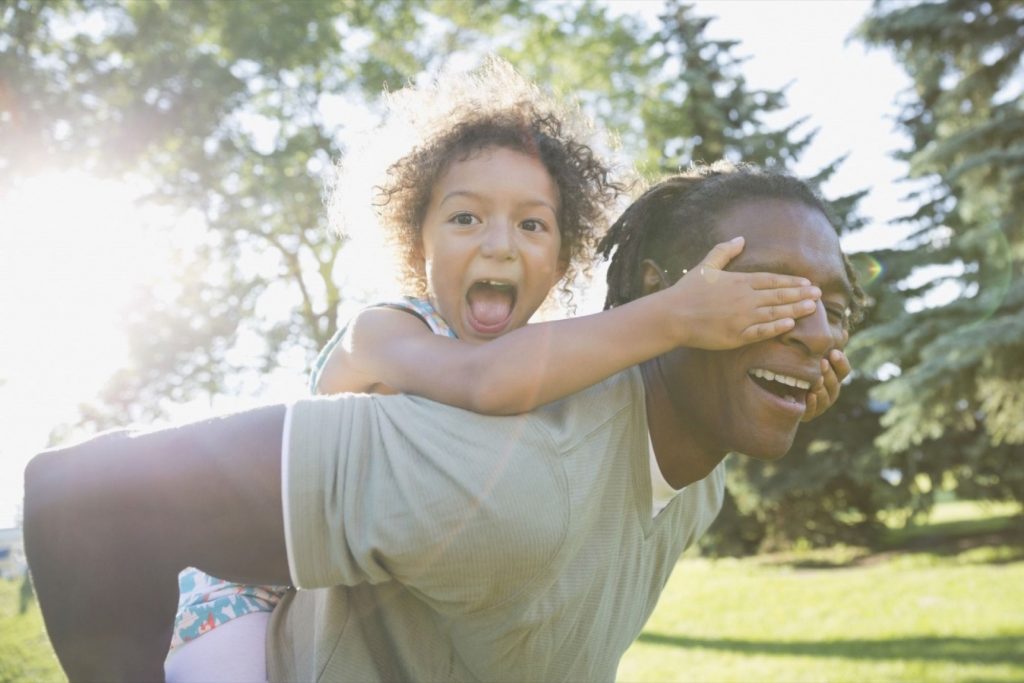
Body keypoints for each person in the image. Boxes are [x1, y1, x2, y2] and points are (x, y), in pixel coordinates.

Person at [23, 161, 862, 682]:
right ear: (663, 295)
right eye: (771, 293)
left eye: (834, 307)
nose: (819, 330)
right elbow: (81, 499)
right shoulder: (502, 469)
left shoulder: (697, 467)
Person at [166, 62, 823, 681]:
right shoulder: (385, 330)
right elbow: (481, 379)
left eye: (532, 224)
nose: (499, 243)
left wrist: (785, 384)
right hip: (241, 581)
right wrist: (673, 316)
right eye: (464, 217)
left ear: (563, 259)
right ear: (415, 238)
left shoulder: (541, 362)